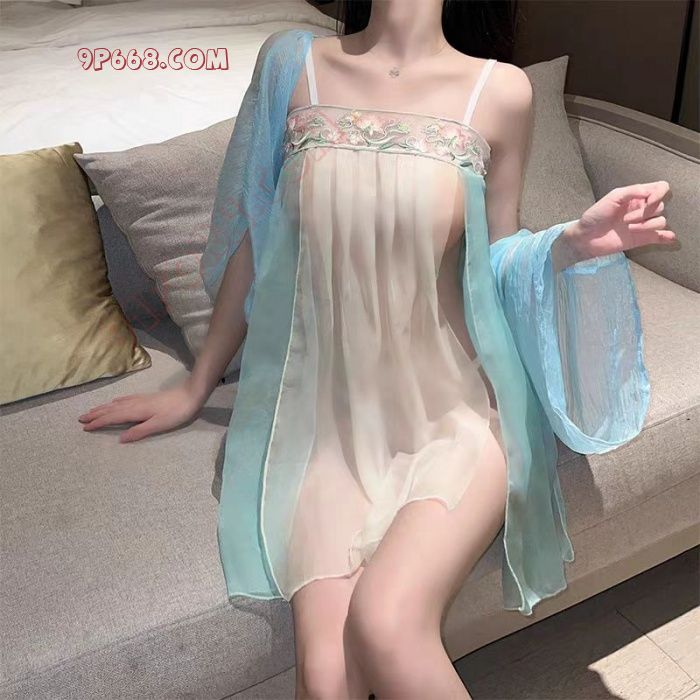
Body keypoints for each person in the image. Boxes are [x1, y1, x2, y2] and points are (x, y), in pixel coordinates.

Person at [78, 1, 675, 697]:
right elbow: (254, 238)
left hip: (456, 413)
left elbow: (496, 255)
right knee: (325, 678)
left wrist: (568, 246)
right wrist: (194, 385)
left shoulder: (500, 91)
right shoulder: (293, 65)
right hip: (323, 426)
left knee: (387, 624)